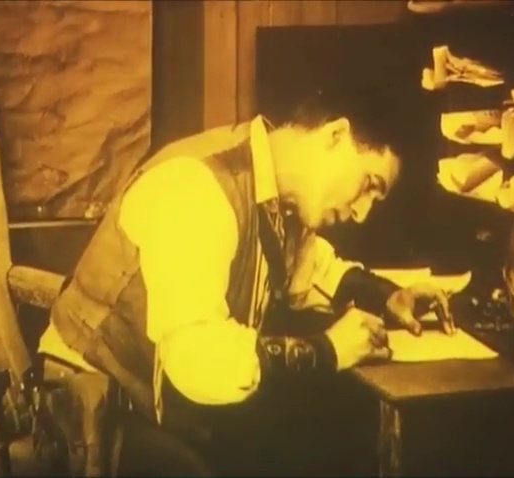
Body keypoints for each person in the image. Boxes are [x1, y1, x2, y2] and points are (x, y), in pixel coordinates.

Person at [35, 86, 455, 477]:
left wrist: (388, 296)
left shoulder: (276, 189)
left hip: (162, 399)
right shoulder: (196, 187)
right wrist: (326, 351)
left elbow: (313, 269)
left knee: (317, 440)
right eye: (368, 186)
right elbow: (197, 361)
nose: (362, 213)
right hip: (92, 406)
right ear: (335, 136)